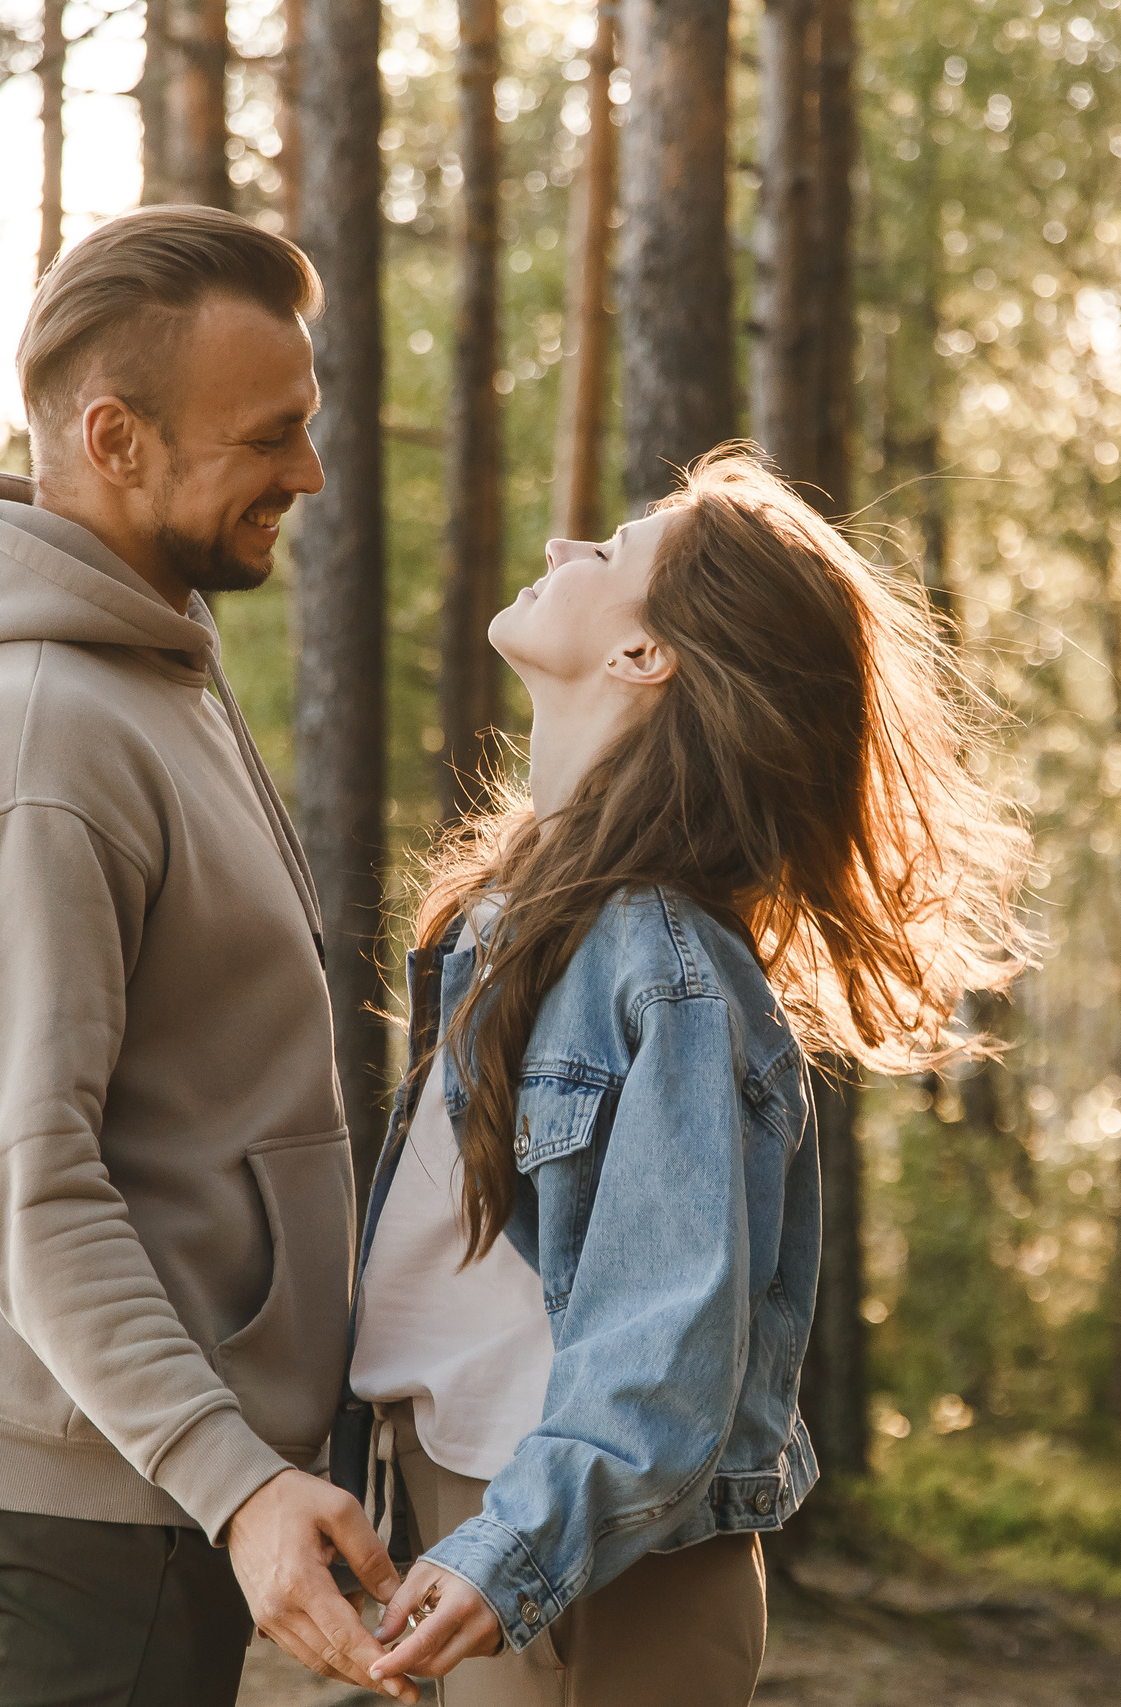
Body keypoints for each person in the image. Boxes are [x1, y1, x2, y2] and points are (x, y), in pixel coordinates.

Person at [0, 205, 418, 1707]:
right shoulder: (33, 732)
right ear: (116, 438)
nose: (309, 473)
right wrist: (233, 1476)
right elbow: (27, 1180)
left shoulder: (139, 667)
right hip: (86, 1513)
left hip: (103, 1481)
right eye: (268, 436)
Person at [344, 451, 1033, 1704]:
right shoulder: (512, 919)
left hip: (590, 1561)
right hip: (490, 1513)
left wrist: (511, 1550)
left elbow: (668, 1334)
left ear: (642, 655)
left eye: (607, 553)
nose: (562, 549)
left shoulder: (667, 974)